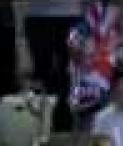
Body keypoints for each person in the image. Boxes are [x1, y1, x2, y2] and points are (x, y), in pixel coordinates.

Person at [25, 0, 83, 132]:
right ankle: (38, 127)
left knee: (68, 73)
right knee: (42, 74)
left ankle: (65, 127)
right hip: (38, 17)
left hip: (71, 16)